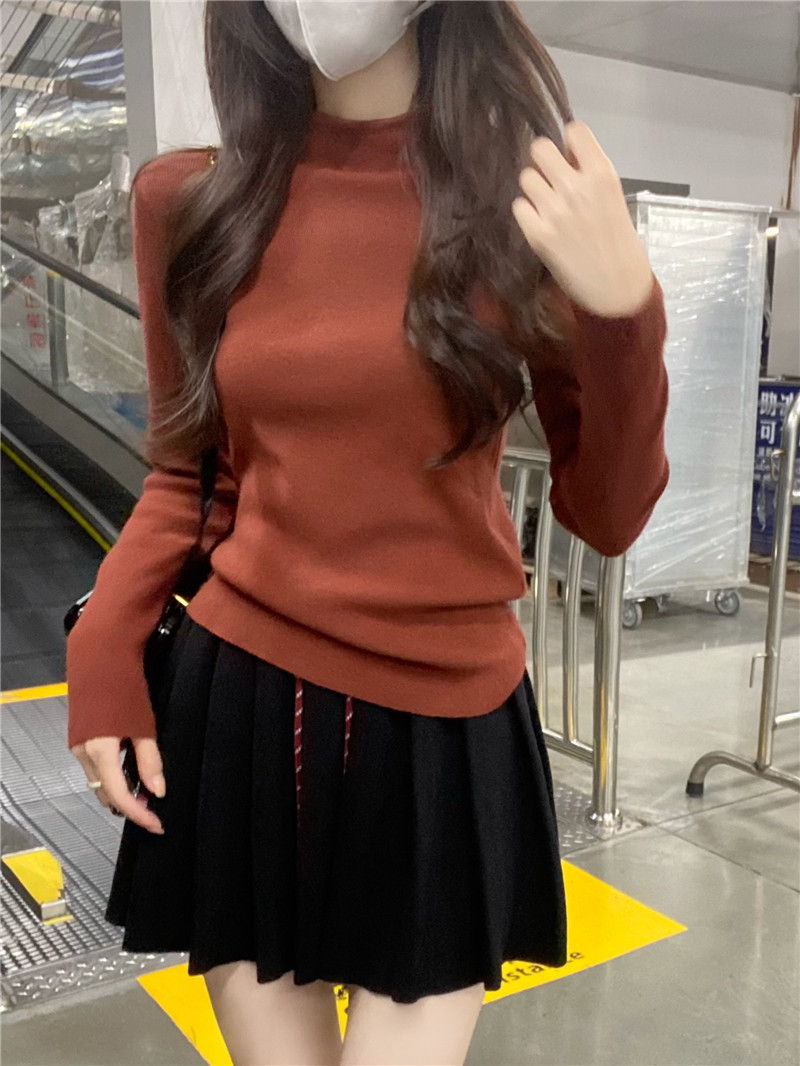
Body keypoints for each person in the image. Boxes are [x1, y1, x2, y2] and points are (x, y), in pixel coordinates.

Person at [65, 2, 670, 1063]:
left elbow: (607, 516)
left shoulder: (523, 204)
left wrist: (625, 312)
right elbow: (188, 472)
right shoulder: (194, 199)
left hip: (448, 718)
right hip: (245, 705)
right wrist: (102, 647)